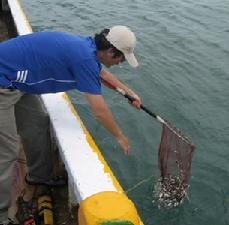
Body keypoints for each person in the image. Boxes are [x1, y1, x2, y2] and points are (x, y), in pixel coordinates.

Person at [0, 25, 141, 225]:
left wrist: (129, 93)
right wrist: (119, 136)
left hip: (18, 82)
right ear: (111, 51)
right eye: (121, 59)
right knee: (6, 152)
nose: (121, 63)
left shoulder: (87, 49)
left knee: (38, 122)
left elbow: (102, 75)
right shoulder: (84, 59)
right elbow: (99, 111)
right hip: (3, 82)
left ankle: (39, 177)